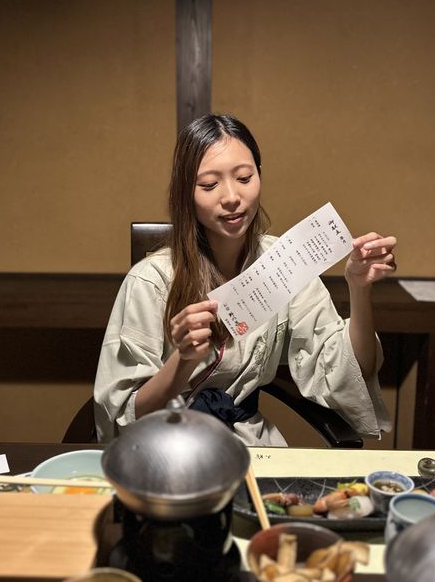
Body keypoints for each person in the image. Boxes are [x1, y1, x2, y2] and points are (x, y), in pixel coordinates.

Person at [94, 114, 395, 445]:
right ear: (185, 194)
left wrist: (359, 289)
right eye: (209, 185)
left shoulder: (284, 262)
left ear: (259, 177)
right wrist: (183, 359)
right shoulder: (151, 280)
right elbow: (124, 414)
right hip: (167, 446)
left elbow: (352, 370)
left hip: (250, 444)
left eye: (244, 177)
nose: (231, 197)